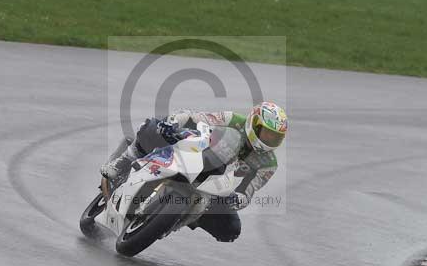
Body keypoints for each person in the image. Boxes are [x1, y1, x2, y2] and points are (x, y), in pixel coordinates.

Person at [100, 102, 288, 242]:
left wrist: (237, 199)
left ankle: (177, 219)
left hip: (217, 185)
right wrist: (172, 124)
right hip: (199, 153)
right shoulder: (233, 119)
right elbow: (197, 117)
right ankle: (122, 162)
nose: (270, 139)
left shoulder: (268, 163)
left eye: (275, 137)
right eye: (267, 133)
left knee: (231, 229)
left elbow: (248, 191)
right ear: (254, 123)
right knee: (152, 127)